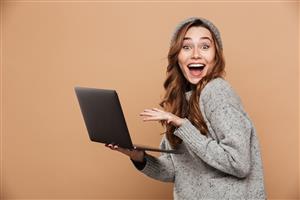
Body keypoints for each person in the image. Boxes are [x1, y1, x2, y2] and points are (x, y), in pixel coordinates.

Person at [105, 17, 266, 200]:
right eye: (186, 47)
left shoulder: (217, 91)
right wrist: (138, 157)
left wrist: (183, 126)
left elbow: (239, 163)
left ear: (216, 55)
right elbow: (175, 171)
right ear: (177, 55)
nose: (195, 54)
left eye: (205, 46)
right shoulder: (182, 99)